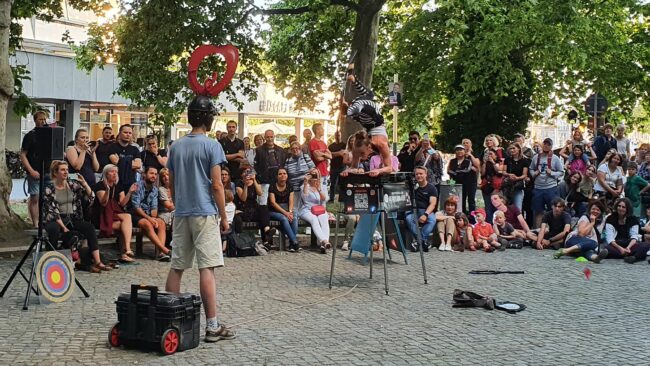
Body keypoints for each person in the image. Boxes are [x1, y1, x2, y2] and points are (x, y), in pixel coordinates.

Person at [165, 95, 235, 342]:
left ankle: (169, 321)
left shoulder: (176, 146)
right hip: (204, 212)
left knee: (177, 266)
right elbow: (217, 184)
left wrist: (178, 203)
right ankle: (212, 325)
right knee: (207, 268)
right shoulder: (212, 146)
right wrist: (224, 216)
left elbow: (171, 183)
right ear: (209, 118)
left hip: (182, 213)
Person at [43, 161, 109, 272]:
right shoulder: (49, 188)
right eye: (62, 170)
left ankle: (97, 261)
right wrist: (63, 227)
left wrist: (84, 184)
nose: (66, 172)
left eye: (67, 170)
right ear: (55, 172)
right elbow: (52, 210)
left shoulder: (72, 185)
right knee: (54, 229)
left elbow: (91, 197)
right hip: (56, 219)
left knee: (89, 228)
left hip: (72, 217)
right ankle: (51, 259)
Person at [344, 65, 393, 177]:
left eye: (361, 154)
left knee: (365, 100)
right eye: (361, 154)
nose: (361, 157)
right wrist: (348, 171)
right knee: (369, 96)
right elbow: (353, 167)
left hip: (369, 116)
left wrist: (379, 171)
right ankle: (353, 79)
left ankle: (350, 106)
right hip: (369, 117)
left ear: (369, 147)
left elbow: (389, 167)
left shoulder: (381, 144)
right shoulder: (364, 145)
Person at [94, 164, 136, 263]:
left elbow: (122, 203)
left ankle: (125, 252)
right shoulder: (99, 185)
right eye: (112, 171)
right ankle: (126, 251)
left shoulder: (118, 186)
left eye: (116, 172)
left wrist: (129, 192)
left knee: (124, 224)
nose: (114, 174)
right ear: (106, 174)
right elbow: (103, 203)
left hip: (114, 216)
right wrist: (107, 191)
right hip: (102, 216)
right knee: (127, 218)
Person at [131, 166, 170, 261]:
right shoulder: (137, 185)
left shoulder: (155, 190)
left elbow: (154, 211)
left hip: (147, 215)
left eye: (155, 174)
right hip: (135, 215)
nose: (154, 176)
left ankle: (159, 254)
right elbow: (136, 207)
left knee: (161, 223)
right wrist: (149, 218)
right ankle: (164, 249)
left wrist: (153, 218)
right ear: (144, 174)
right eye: (151, 173)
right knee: (147, 223)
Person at [235, 165, 277, 249]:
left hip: (254, 208)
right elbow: (243, 198)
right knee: (261, 215)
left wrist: (254, 180)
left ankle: (267, 232)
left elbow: (260, 193)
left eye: (249, 171)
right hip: (244, 210)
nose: (247, 174)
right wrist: (246, 186)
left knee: (263, 208)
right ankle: (265, 239)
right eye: (245, 172)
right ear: (241, 174)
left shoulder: (254, 181)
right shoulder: (239, 183)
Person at [20, 110, 49, 227]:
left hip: (47, 170)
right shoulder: (30, 136)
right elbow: (22, 154)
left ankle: (46, 220)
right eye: (40, 119)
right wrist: (31, 171)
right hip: (35, 171)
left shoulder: (48, 135)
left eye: (44, 119)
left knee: (47, 197)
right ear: (35, 120)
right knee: (35, 197)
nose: (43, 121)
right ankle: (36, 223)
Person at [529, 138, 564, 228]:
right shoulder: (536, 157)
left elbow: (561, 172)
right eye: (545, 144)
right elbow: (531, 168)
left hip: (551, 187)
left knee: (553, 210)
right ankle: (537, 231)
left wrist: (551, 173)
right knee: (538, 211)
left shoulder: (555, 158)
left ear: (551, 146)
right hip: (538, 188)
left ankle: (553, 230)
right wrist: (534, 173)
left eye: (548, 144)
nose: (546, 146)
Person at [603, 198, 650, 264]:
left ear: (627, 209)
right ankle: (629, 255)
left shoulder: (633, 219)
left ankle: (633, 257)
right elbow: (610, 238)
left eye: (623, 207)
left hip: (630, 245)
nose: (620, 208)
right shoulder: (610, 219)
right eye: (619, 206)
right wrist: (621, 249)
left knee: (645, 245)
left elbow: (634, 237)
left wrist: (628, 248)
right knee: (607, 248)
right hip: (616, 245)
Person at [405, 166, 438, 251]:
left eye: (421, 174)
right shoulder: (412, 187)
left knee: (432, 220)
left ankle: (419, 240)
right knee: (409, 219)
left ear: (426, 175)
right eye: (417, 174)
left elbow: (432, 204)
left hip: (426, 210)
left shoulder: (431, 188)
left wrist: (425, 215)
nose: (419, 176)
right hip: (413, 210)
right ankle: (423, 241)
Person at [298, 170, 331, 254]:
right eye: (313, 176)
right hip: (307, 209)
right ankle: (324, 241)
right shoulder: (304, 186)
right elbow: (304, 198)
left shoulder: (322, 186)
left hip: (319, 209)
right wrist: (306, 183)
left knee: (324, 219)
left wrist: (318, 189)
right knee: (314, 219)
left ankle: (324, 245)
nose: (315, 179)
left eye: (316, 176)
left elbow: (325, 199)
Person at [268, 168, 300, 252]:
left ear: (287, 175)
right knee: (283, 218)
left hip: (286, 208)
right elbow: (272, 203)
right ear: (277, 176)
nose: (282, 175)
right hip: (273, 210)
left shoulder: (290, 186)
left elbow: (291, 200)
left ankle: (291, 245)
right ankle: (294, 241)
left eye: (284, 173)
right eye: (280, 174)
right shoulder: (272, 186)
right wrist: (286, 213)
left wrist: (289, 212)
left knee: (295, 216)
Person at [254, 129, 286, 205]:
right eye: (268, 137)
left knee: (277, 202)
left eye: (271, 137)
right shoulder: (258, 150)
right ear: (264, 137)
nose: (270, 139)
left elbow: (283, 164)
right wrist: (259, 176)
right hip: (264, 180)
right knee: (263, 202)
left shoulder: (280, 150)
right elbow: (255, 165)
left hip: (277, 180)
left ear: (274, 137)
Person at [108, 124, 142, 192]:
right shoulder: (112, 147)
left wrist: (120, 160)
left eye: (130, 133)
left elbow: (138, 165)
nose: (128, 135)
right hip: (115, 182)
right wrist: (130, 162)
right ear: (120, 134)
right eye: (125, 132)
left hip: (131, 183)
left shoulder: (135, 149)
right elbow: (115, 162)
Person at [447, 144, 478, 213]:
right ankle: (461, 215)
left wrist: (455, 172)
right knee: (460, 200)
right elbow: (449, 171)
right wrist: (451, 184)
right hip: (457, 184)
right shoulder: (452, 161)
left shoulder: (468, 161)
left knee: (471, 200)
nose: (459, 151)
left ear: (464, 151)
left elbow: (467, 170)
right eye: (457, 150)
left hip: (469, 183)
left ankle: (472, 217)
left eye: (461, 150)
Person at [501, 142, 530, 211]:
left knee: (517, 208)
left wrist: (517, 178)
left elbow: (524, 174)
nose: (512, 150)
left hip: (518, 186)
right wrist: (509, 174)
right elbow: (503, 171)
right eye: (510, 148)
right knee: (507, 208)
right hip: (508, 187)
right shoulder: (507, 160)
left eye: (514, 148)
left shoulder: (524, 160)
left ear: (519, 149)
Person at [480, 149, 503, 223]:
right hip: (486, 186)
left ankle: (497, 223)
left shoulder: (499, 162)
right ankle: (489, 224)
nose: (489, 156)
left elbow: (499, 172)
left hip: (496, 187)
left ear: (495, 155)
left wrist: (492, 162)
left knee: (496, 206)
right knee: (488, 207)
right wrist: (484, 162)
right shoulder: (484, 163)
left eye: (491, 154)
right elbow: (482, 174)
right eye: (487, 154)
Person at [309, 123, 332, 198]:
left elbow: (330, 156)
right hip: (318, 173)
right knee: (319, 194)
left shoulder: (323, 143)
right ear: (317, 130)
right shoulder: (313, 142)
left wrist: (323, 154)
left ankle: (324, 209)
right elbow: (317, 158)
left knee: (325, 194)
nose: (323, 130)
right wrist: (325, 155)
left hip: (325, 172)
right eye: (321, 128)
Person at [328, 130, 347, 203]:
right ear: (334, 136)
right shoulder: (331, 146)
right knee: (332, 184)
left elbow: (345, 154)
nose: (337, 136)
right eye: (336, 135)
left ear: (341, 135)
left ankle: (342, 198)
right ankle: (331, 198)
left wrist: (334, 154)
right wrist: (339, 153)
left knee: (342, 183)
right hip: (333, 167)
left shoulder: (344, 145)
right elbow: (329, 155)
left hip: (342, 167)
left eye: (339, 135)